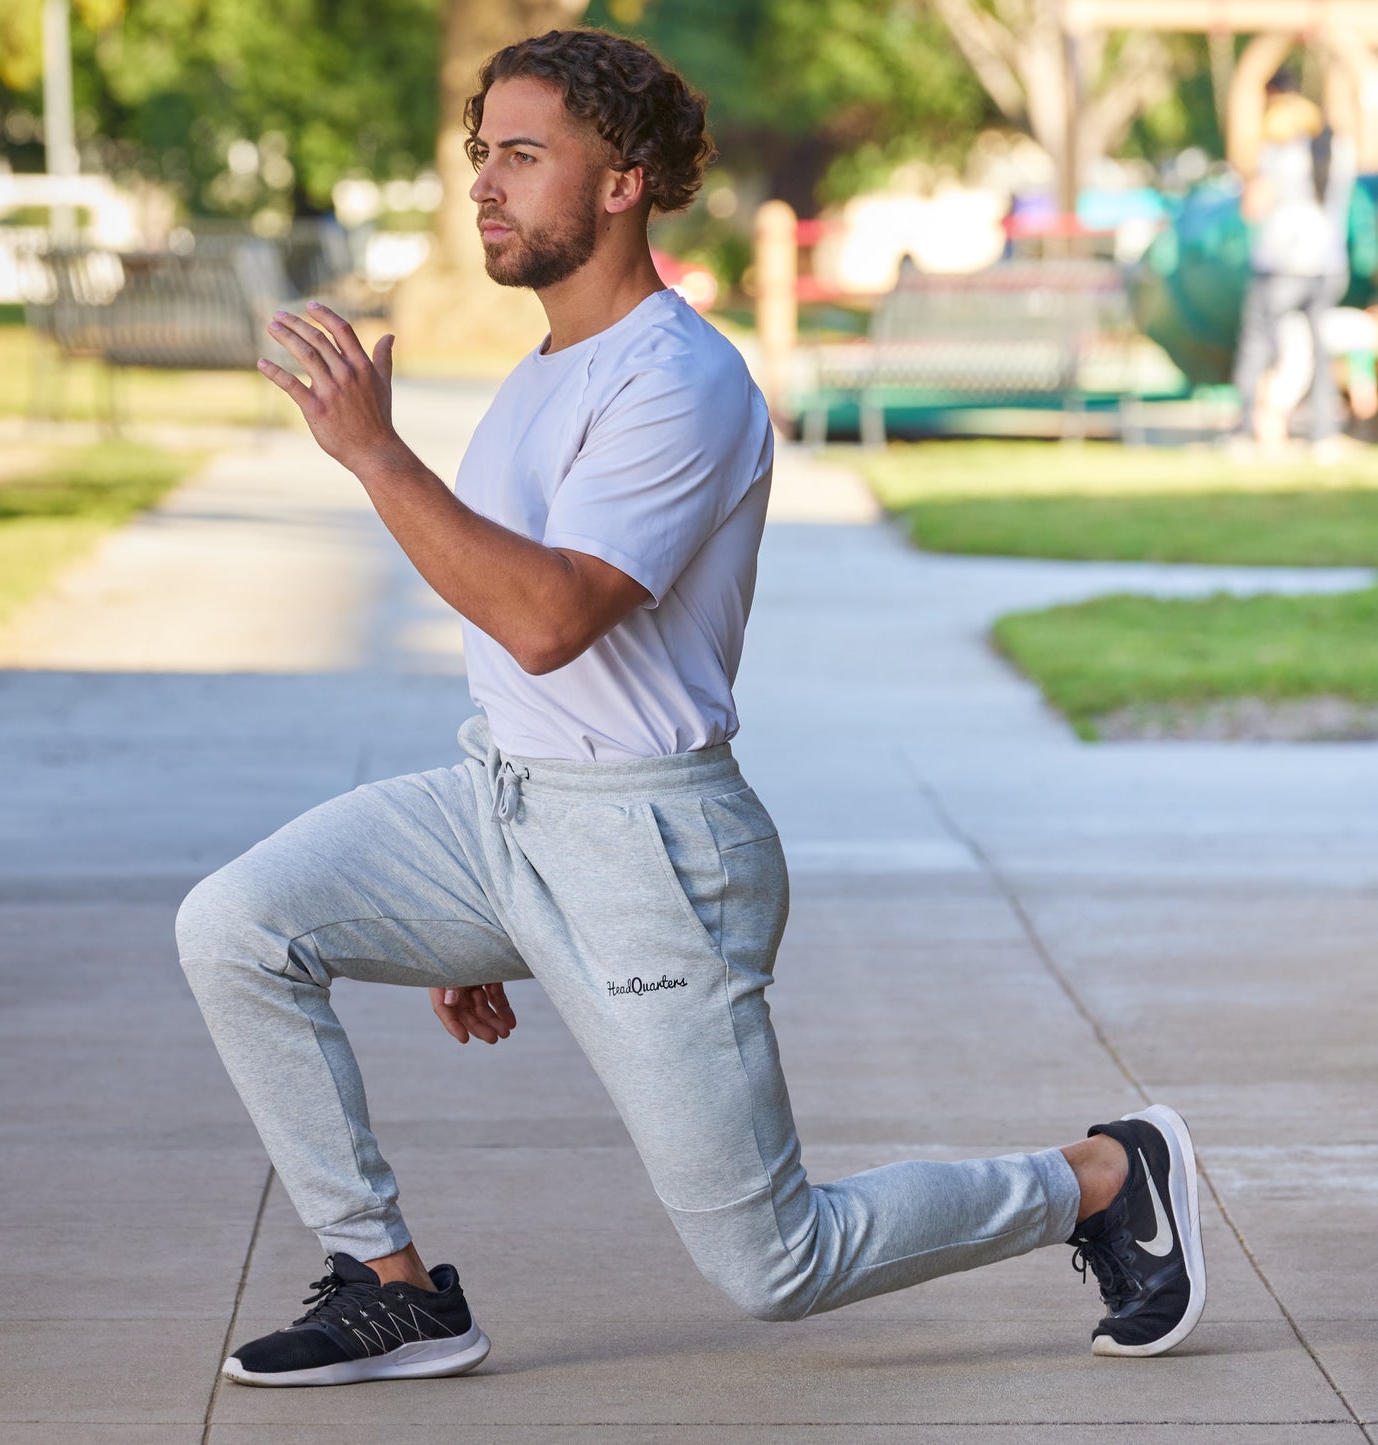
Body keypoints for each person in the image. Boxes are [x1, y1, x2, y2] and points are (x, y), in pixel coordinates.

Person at [177, 28, 1206, 1389]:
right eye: (481, 154)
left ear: (625, 181)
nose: (484, 185)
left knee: (773, 1264)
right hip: (507, 804)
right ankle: (387, 1286)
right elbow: (511, 640)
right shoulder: (544, 371)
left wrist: (371, 449)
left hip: (652, 851)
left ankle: (1097, 1178)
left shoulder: (681, 380)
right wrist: (478, 900)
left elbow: (551, 619)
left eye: (524, 156)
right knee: (236, 924)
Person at [1231, 65, 1357, 454]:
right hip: (1326, 264)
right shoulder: (1339, 151)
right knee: (1320, 351)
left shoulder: (1279, 153)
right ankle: (1323, 433)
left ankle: (1245, 431)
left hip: (1279, 265)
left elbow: (1252, 207)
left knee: (1258, 345)